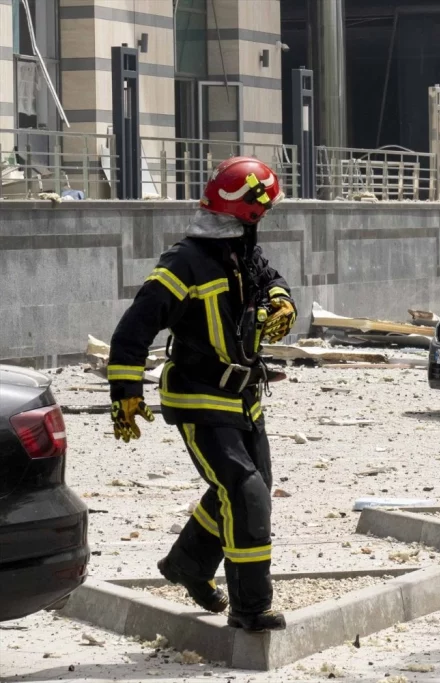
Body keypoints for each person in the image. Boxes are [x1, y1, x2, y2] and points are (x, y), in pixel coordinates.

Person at [107, 157, 295, 632]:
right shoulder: (184, 262)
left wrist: (281, 299)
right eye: (265, 210)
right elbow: (133, 329)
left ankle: (187, 564)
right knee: (245, 492)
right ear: (248, 214)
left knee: (247, 490)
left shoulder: (241, 252)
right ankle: (251, 607)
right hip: (199, 398)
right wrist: (125, 391)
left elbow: (268, 277)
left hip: (245, 396)